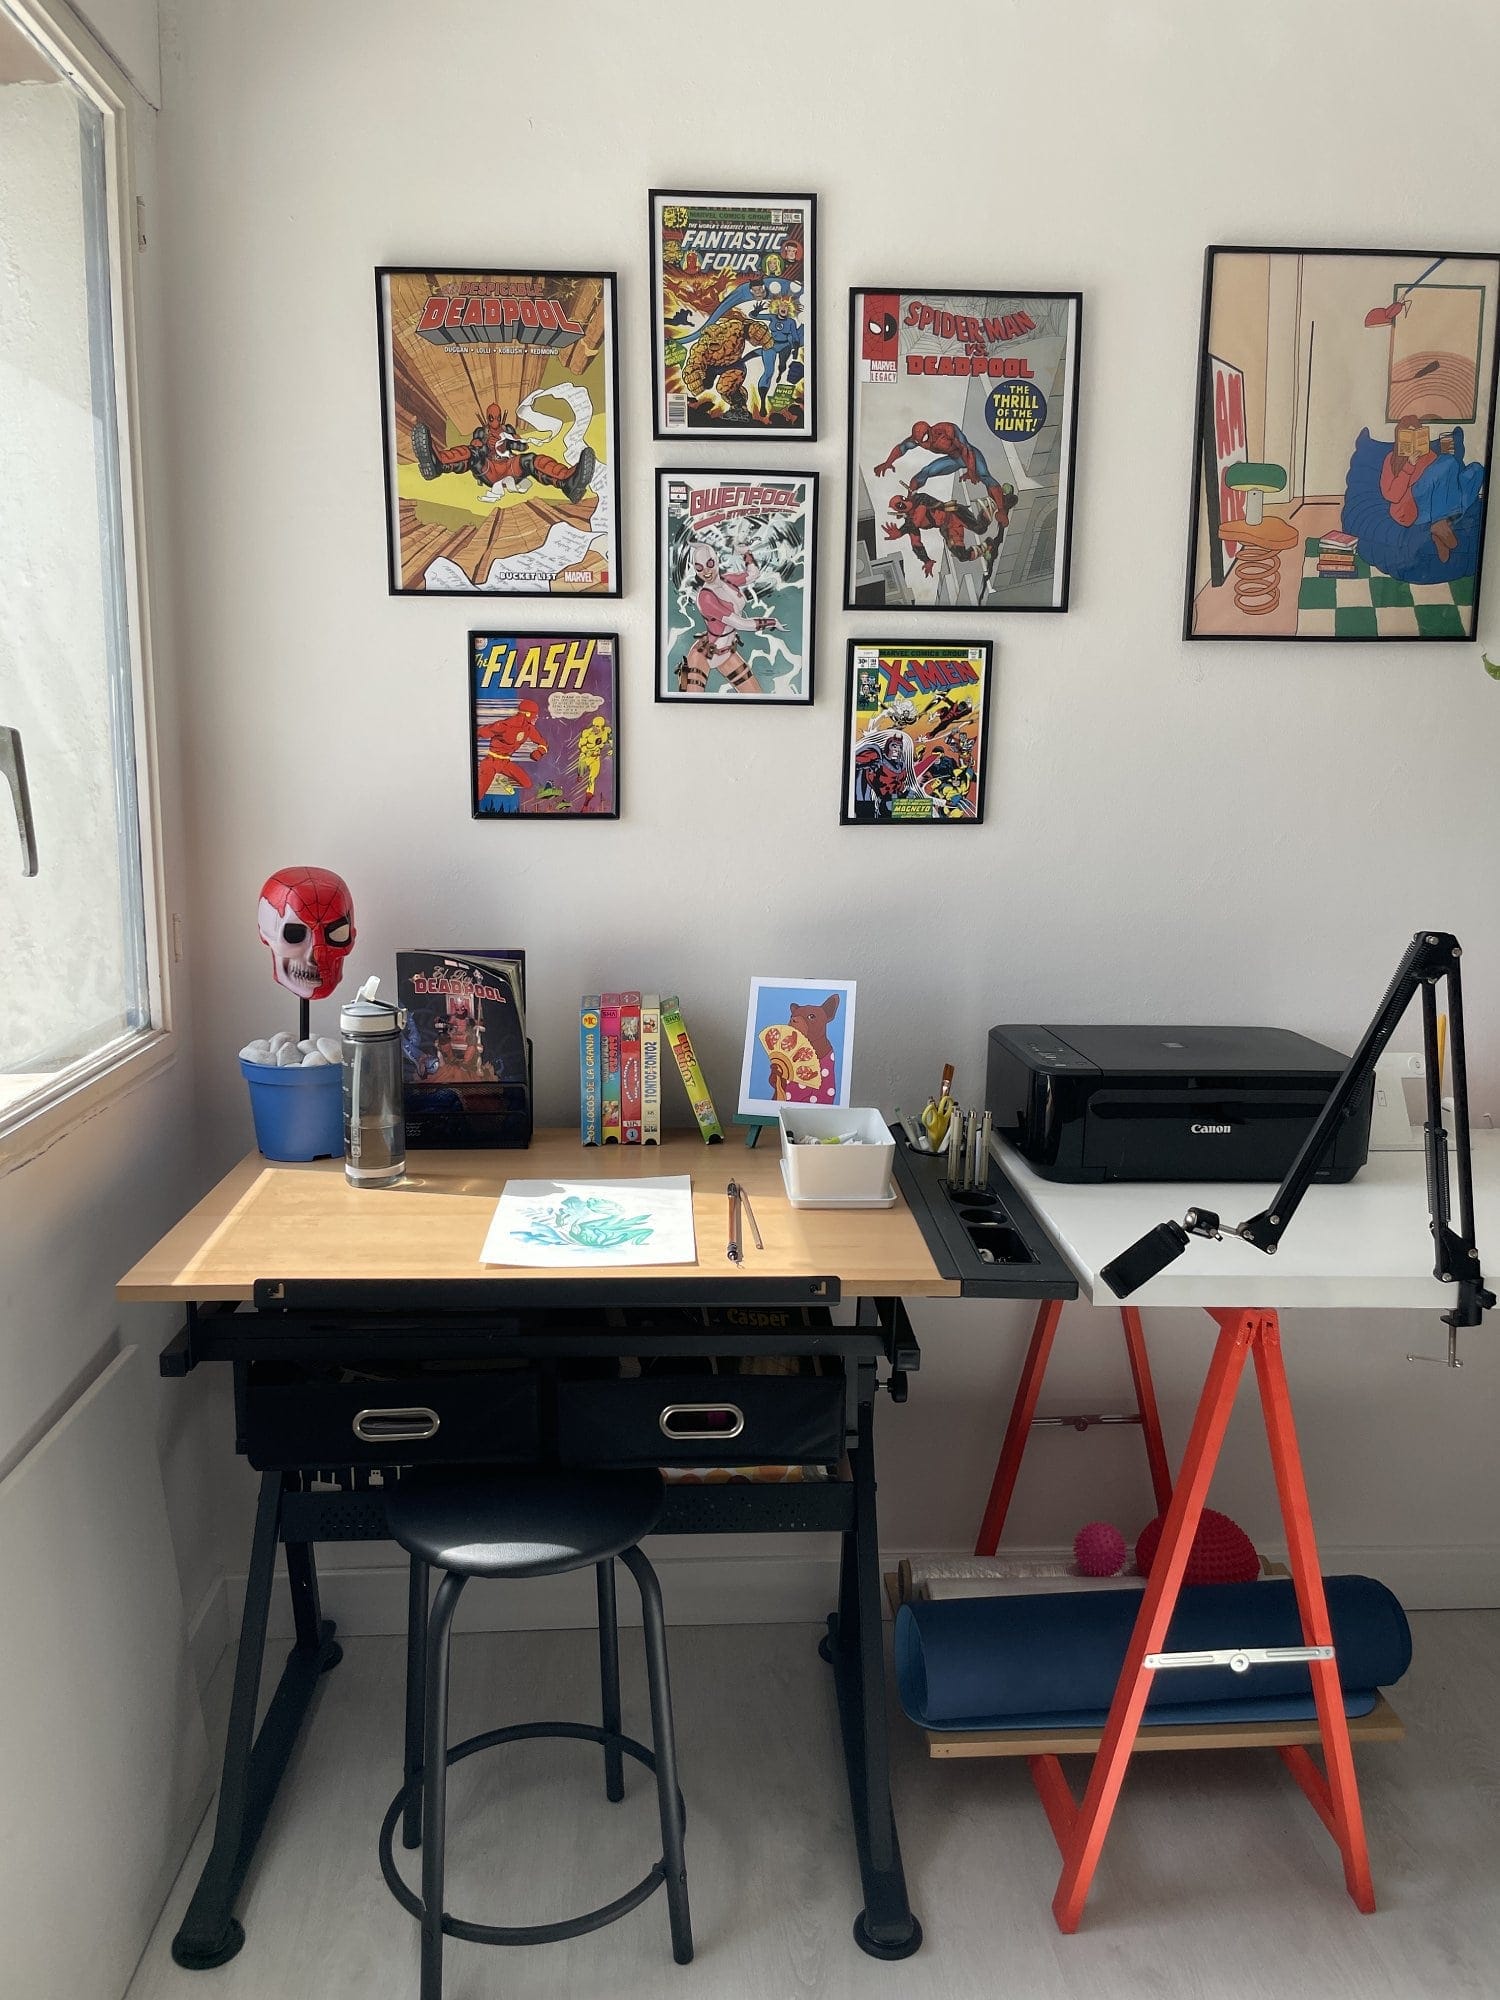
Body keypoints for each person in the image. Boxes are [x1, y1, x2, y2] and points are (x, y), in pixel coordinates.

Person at [1380, 419, 1485, 562]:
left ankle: (1442, 526)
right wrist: (1409, 465)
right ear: (1400, 436)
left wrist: (1449, 458)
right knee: (1448, 462)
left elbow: (1444, 482)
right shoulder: (1391, 459)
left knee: (1476, 470)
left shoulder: (1427, 454)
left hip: (1432, 505)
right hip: (1410, 507)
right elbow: (1392, 496)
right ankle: (1442, 522)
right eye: (1408, 433)